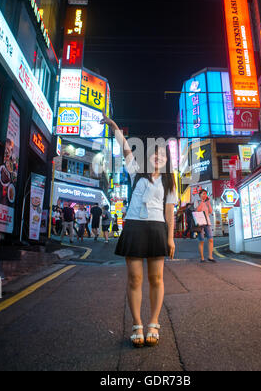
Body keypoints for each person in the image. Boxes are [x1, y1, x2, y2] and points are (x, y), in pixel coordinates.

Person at [101, 110, 177, 348]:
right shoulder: (136, 172)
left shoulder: (168, 181)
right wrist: (114, 127)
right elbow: (125, 148)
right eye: (155, 154)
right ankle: (137, 324)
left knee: (156, 278)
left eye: (163, 155)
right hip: (134, 226)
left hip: (157, 229)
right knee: (135, 278)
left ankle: (154, 322)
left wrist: (171, 238)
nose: (158, 157)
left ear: (167, 160)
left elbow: (169, 213)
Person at [196, 189, 215, 263]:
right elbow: (198, 210)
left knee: (210, 239)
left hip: (207, 223)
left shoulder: (207, 203)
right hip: (200, 223)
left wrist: (208, 203)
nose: (205, 195)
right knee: (202, 240)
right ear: (200, 195)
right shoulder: (197, 202)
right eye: (203, 194)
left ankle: (210, 256)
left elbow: (210, 211)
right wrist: (202, 202)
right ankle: (202, 258)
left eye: (205, 194)